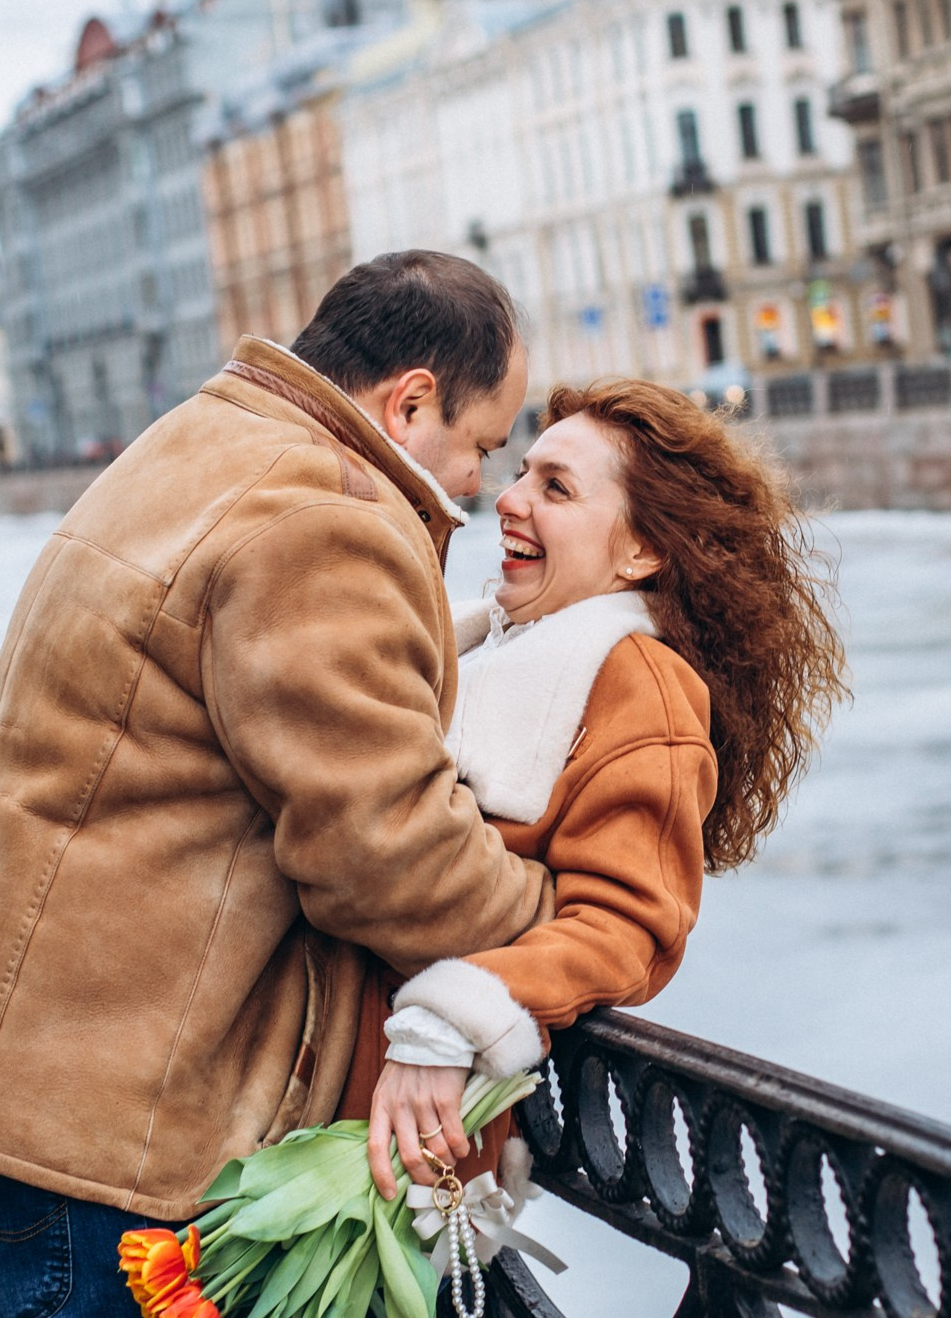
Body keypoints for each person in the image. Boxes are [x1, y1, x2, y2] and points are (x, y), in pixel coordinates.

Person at [0, 252, 555, 1318]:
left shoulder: (203, 441)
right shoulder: (325, 517)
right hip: (106, 1164)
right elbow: (389, 856)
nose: (482, 485)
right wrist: (558, 915)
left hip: (0, 1109)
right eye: (483, 444)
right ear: (412, 401)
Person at [327, 380, 849, 1215]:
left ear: (640, 552)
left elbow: (631, 926)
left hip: (390, 1155)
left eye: (555, 488)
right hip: (330, 1117)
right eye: (522, 471)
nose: (510, 499)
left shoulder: (638, 686)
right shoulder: (479, 640)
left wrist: (456, 1015)